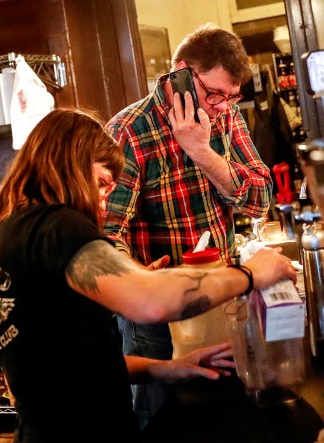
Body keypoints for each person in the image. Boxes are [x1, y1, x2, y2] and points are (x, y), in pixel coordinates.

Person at [0, 108, 295, 442]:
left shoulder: (4, 238)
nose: (107, 198)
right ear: (68, 164)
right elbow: (153, 304)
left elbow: (67, 363)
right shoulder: (58, 226)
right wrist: (250, 273)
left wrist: (166, 368)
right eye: (102, 182)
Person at [103, 23, 274, 427]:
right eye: (214, 92)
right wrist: (133, 276)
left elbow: (261, 199)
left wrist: (202, 152)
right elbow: (108, 234)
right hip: (157, 320)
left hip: (223, 298)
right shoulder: (128, 131)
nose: (221, 105)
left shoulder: (226, 117)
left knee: (228, 419)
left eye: (231, 97)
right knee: (164, 423)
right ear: (180, 72)